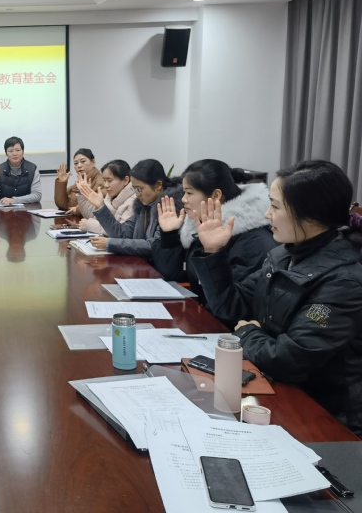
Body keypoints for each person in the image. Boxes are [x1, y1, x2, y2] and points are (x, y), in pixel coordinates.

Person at [189, 160, 362, 436]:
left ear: (310, 214)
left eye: (276, 206)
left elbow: (290, 360)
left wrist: (246, 333)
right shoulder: (283, 255)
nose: (267, 214)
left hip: (328, 418)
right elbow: (230, 306)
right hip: (276, 392)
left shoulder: (345, 281)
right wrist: (213, 254)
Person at [152, 160, 276, 304]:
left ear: (216, 195)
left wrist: (212, 252)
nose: (183, 199)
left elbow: (232, 305)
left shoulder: (254, 242)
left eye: (189, 193)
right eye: (184, 192)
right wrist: (169, 236)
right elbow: (174, 274)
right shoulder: (199, 226)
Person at [79, 159, 181, 259]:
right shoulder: (143, 206)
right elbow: (122, 233)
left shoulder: (171, 208)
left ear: (158, 185)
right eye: (134, 189)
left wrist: (111, 243)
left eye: (139, 189)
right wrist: (101, 206)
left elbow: (154, 245)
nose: (137, 194)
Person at [78, 159, 136, 234]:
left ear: (125, 180)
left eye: (109, 181)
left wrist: (90, 225)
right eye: (104, 180)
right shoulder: (110, 196)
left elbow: (121, 232)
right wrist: (84, 193)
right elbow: (92, 217)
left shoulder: (133, 202)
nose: (105, 185)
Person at [0, 136, 42, 205]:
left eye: (18, 150)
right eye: (10, 151)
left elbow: (37, 195)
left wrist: (14, 200)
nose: (14, 154)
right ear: (6, 153)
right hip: (4, 210)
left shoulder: (32, 168)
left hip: (27, 210)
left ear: (23, 151)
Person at [54, 149, 104, 213]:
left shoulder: (102, 181)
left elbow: (102, 205)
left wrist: (78, 210)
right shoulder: (78, 183)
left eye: (83, 161)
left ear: (93, 162)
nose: (79, 166)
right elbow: (62, 205)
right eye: (76, 163)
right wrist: (62, 182)